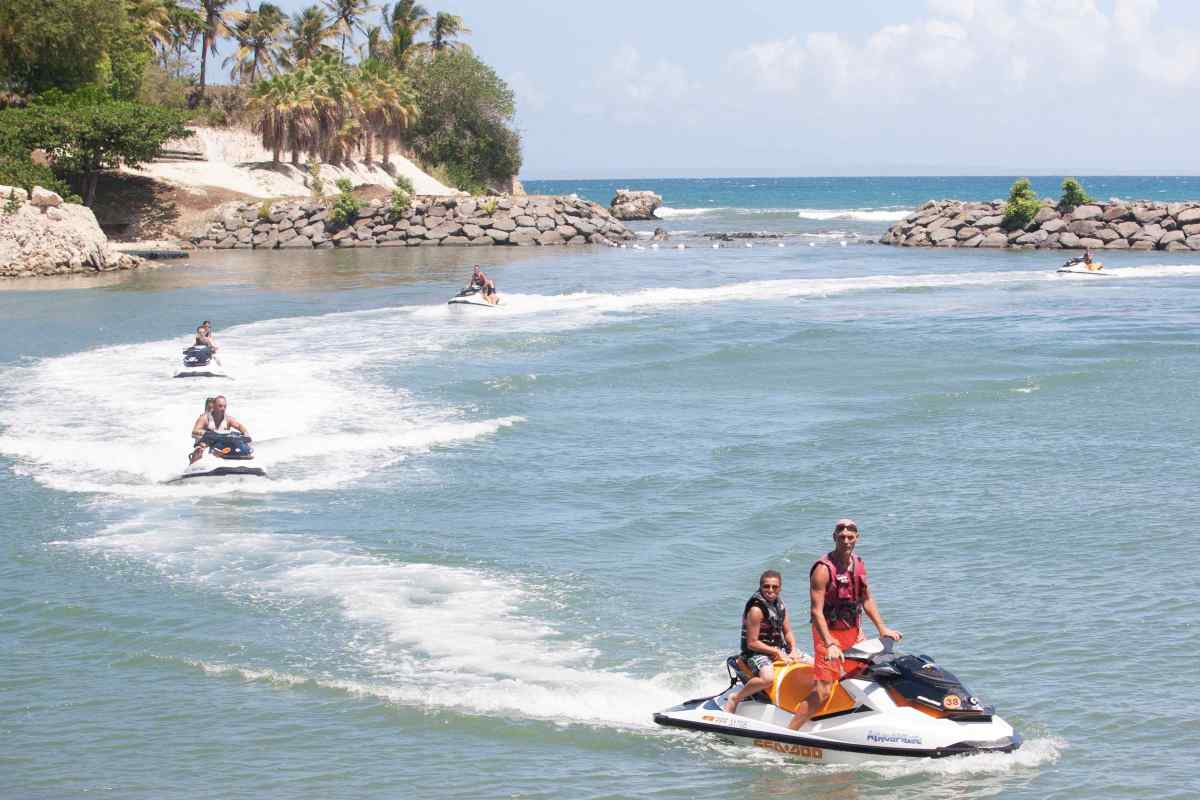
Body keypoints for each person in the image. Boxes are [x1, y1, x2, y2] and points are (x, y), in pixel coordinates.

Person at [787, 519, 902, 731]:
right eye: (841, 537)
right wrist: (830, 643)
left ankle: (854, 721)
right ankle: (789, 732)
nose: (846, 540)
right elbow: (816, 611)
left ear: (857, 538)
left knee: (864, 675)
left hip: (853, 631)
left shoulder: (859, 564)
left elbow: (866, 599)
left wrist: (882, 628)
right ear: (834, 538)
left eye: (850, 537)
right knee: (823, 690)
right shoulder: (823, 569)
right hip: (827, 634)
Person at [722, 570, 805, 713]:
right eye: (766, 586)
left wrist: (793, 649)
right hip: (755, 652)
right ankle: (735, 698)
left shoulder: (780, 605)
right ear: (760, 586)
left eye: (775, 587)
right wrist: (777, 652)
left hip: (776, 648)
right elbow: (752, 643)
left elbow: (787, 632)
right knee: (767, 679)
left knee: (811, 663)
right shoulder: (756, 610)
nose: (770, 590)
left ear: (780, 588)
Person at [189, 395, 249, 463]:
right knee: (200, 447)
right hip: (207, 443)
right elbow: (194, 431)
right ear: (214, 407)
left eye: (224, 406)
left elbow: (239, 426)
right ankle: (195, 464)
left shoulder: (228, 419)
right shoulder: (204, 418)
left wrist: (246, 433)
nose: (223, 408)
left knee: (235, 439)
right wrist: (208, 433)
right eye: (220, 406)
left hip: (222, 444)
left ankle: (242, 455)